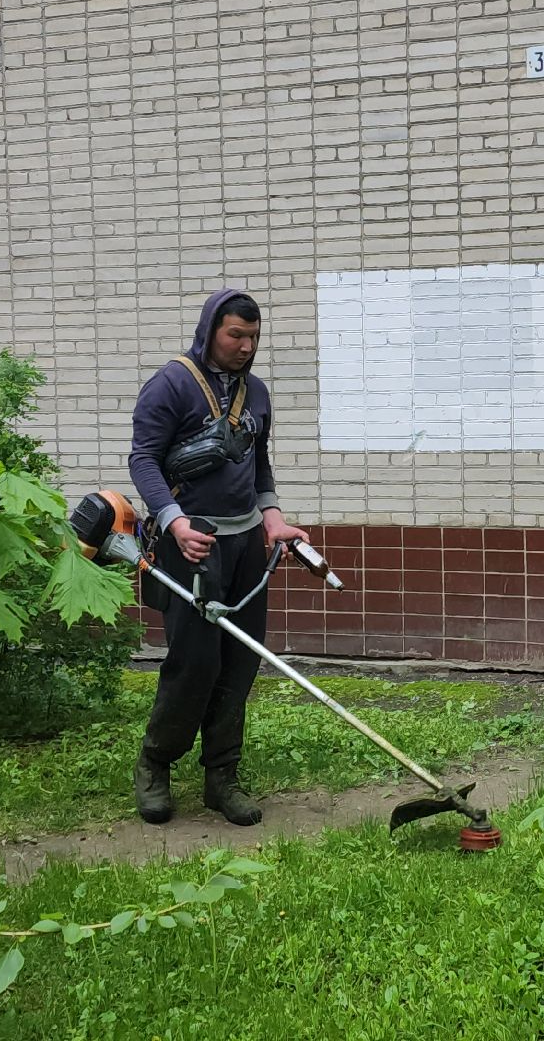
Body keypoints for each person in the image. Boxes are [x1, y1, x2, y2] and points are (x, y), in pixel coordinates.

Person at [127, 288, 308, 826]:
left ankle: (222, 777)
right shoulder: (171, 384)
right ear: (211, 330)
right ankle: (155, 765)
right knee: (195, 662)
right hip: (191, 543)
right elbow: (143, 460)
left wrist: (272, 517)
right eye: (236, 335)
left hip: (246, 544)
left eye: (254, 336)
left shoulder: (257, 393)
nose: (246, 346)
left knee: (240, 660)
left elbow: (259, 462)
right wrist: (174, 522)